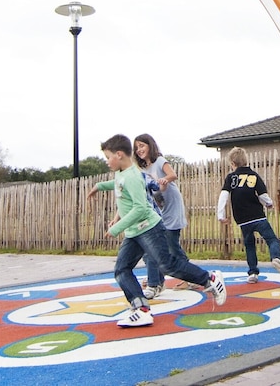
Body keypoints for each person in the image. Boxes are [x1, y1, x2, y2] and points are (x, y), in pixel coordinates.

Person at [88, 134, 226, 327]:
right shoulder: (121, 174)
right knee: (121, 269)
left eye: (108, 157)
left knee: (167, 265)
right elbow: (118, 185)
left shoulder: (133, 176)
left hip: (149, 228)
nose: (106, 161)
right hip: (134, 233)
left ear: (119, 155)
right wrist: (99, 186)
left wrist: (117, 228)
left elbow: (140, 209)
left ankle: (210, 278)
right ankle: (141, 309)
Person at [216, 146, 280, 283]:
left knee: (249, 244)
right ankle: (276, 258)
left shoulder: (231, 178)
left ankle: (253, 273)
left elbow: (224, 196)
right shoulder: (254, 176)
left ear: (233, 163)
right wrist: (269, 203)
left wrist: (220, 215)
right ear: (246, 161)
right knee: (271, 239)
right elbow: (263, 195)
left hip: (242, 220)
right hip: (258, 216)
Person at [134, 133, 189, 299]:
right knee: (155, 244)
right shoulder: (144, 170)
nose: (139, 150)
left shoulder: (159, 161)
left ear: (150, 145)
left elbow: (172, 175)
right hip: (159, 209)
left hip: (172, 207)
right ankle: (157, 278)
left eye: (142, 146)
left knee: (171, 244)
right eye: (136, 148)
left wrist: (164, 180)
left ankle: (187, 276)